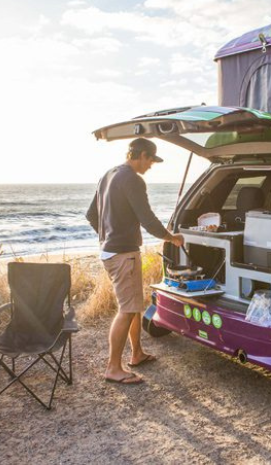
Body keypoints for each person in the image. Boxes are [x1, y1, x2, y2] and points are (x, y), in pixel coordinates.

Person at [86, 138, 184, 384]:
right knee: (128, 309)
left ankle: (137, 353)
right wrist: (171, 238)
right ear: (140, 154)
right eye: (150, 160)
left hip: (112, 251)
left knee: (134, 305)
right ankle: (113, 368)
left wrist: (106, 236)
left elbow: (91, 215)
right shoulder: (132, 179)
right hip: (123, 253)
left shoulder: (108, 175)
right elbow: (147, 219)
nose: (151, 165)